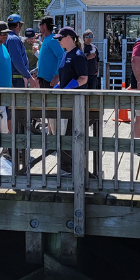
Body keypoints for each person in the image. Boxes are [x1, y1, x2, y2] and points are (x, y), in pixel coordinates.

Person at [55, 26, 89, 174]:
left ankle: (71, 167)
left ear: (69, 38)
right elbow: (65, 76)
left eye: (60, 39)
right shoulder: (65, 54)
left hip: (76, 101)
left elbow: (84, 78)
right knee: (64, 134)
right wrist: (59, 86)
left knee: (71, 134)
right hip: (65, 101)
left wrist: (70, 87)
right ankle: (65, 166)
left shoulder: (78, 55)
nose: (59, 41)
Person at [4, 14, 36, 89]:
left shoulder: (6, 37)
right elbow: (17, 61)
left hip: (10, 76)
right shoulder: (13, 39)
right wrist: (29, 77)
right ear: (18, 25)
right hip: (15, 78)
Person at [36, 17, 64, 88]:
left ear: (44, 25)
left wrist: (57, 75)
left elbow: (61, 57)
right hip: (43, 78)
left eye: (40, 25)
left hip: (50, 81)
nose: (39, 28)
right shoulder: (46, 39)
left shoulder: (53, 39)